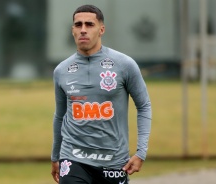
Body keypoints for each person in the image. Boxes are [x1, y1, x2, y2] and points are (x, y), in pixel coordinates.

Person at [51, 4, 152, 184]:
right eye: (78, 25)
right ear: (72, 30)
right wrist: (55, 156)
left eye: (89, 25)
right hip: (73, 158)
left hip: (114, 162)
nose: (83, 30)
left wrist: (141, 152)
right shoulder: (61, 70)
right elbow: (60, 116)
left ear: (101, 29)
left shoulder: (124, 65)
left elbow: (144, 106)